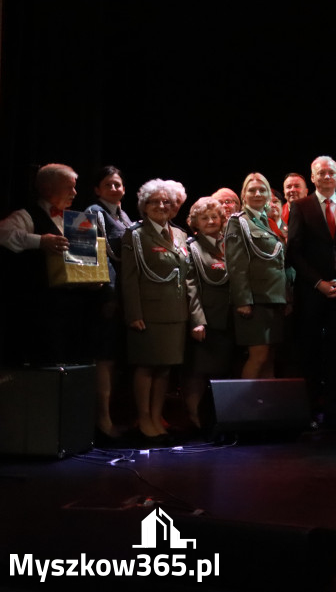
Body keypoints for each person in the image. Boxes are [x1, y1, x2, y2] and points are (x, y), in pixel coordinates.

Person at [121, 179, 206, 444]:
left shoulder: (180, 235)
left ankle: (157, 418)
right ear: (144, 206)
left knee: (165, 369)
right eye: (155, 201)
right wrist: (134, 313)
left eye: (166, 202)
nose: (161, 205)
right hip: (148, 313)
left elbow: (188, 278)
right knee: (147, 367)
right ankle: (143, 418)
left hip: (175, 314)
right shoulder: (135, 235)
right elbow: (129, 278)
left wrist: (195, 318)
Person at [0, 163, 99, 368]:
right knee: (47, 363)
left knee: (74, 363)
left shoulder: (77, 220)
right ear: (47, 188)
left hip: (75, 309)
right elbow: (4, 233)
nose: (75, 192)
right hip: (42, 310)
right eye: (69, 187)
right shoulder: (27, 215)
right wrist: (40, 241)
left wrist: (92, 278)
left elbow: (83, 263)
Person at [286, 155, 336, 428]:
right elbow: (294, 251)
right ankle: (308, 413)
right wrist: (319, 283)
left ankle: (333, 412)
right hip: (311, 292)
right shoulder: (301, 206)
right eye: (321, 173)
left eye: (332, 172)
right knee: (310, 354)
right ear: (313, 177)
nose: (327, 177)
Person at [84, 165, 133, 439]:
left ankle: (111, 416)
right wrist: (108, 295)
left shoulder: (124, 216)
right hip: (106, 294)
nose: (114, 188)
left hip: (125, 295)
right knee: (104, 359)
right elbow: (94, 256)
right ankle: (101, 421)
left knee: (115, 359)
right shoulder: (94, 213)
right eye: (108, 184)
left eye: (118, 184)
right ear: (97, 189)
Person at [225, 172, 289, 380]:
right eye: (252, 190)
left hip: (274, 299)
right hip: (255, 301)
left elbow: (280, 264)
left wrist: (287, 297)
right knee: (258, 357)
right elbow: (236, 265)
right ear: (244, 195)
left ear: (269, 195)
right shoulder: (238, 222)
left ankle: (266, 409)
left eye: (263, 189)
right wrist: (243, 300)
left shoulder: (269, 223)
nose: (258, 193)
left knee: (269, 356)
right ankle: (246, 410)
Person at [183, 197, 233, 429]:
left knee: (224, 374)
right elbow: (190, 287)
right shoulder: (192, 248)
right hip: (207, 321)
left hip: (231, 319)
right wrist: (197, 321)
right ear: (196, 222)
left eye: (214, 216)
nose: (211, 221)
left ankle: (219, 419)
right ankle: (194, 420)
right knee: (199, 374)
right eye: (204, 218)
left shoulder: (230, 243)